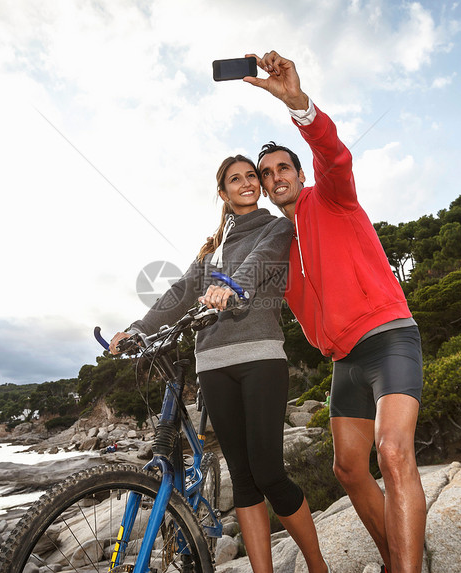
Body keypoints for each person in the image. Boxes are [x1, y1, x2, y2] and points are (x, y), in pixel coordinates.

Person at [244, 51, 426, 573]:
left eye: (284, 168)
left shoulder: (333, 197)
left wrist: (298, 104)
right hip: (344, 360)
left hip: (388, 337)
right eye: (266, 173)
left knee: (392, 453)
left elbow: (335, 155)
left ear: (300, 174)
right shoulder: (278, 241)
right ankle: (398, 559)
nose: (276, 176)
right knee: (348, 469)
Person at [109, 155, 329, 573]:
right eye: (236, 179)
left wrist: (230, 287)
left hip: (260, 358)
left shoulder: (276, 227)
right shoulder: (212, 249)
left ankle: (318, 566)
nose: (247, 183)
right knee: (243, 479)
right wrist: (138, 328)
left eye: (252, 177)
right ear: (223, 192)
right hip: (211, 364)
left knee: (269, 473)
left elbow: (259, 262)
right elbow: (180, 292)